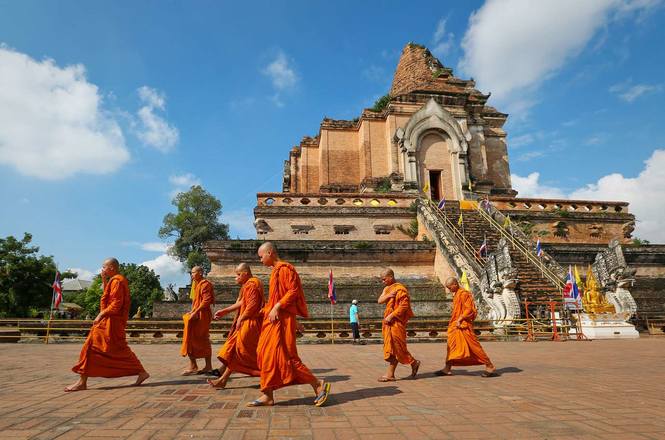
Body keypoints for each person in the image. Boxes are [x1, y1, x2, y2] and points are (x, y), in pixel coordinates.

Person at [249, 242, 331, 407]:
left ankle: (317, 384)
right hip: (275, 321)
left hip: (281, 322)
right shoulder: (275, 272)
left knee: (287, 357)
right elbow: (276, 299)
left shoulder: (285, 269)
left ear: (270, 252)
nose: (260, 260)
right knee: (264, 354)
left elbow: (292, 292)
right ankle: (267, 394)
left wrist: (278, 308)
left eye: (261, 256)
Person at [65, 258, 149, 391]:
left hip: (111, 321)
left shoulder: (117, 281)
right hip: (111, 321)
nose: (102, 270)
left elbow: (116, 303)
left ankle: (82, 382)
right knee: (116, 349)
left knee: (92, 347)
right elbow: (107, 295)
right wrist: (104, 280)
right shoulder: (113, 281)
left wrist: (101, 314)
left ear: (111, 267)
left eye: (104, 267)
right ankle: (141, 372)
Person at [207, 263, 265, 389]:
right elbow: (243, 302)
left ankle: (270, 375)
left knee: (241, 353)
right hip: (246, 322)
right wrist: (225, 311)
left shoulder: (252, 284)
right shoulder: (248, 285)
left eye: (238, 275)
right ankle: (223, 379)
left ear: (245, 273)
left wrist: (242, 317)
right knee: (235, 351)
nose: (236, 278)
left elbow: (252, 305)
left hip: (250, 324)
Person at [437, 277, 497, 377]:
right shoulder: (456, 294)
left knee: (474, 346)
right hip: (456, 325)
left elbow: (469, 309)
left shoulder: (464, 294)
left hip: (463, 325)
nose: (449, 290)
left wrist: (460, 318)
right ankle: (447, 368)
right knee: (451, 346)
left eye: (449, 287)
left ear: (455, 284)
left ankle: (489, 365)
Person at [377, 268, 420, 382]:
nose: (383, 282)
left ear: (391, 277)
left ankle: (410, 363)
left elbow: (404, 306)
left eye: (384, 279)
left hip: (396, 322)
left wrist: (392, 316)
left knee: (397, 347)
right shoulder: (387, 289)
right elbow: (380, 300)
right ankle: (409, 365)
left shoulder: (400, 289)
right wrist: (389, 295)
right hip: (388, 322)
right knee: (392, 347)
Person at [180, 266, 215, 375]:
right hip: (196, 314)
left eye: (193, 272)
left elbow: (206, 301)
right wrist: (192, 311)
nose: (191, 275)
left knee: (203, 339)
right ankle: (193, 365)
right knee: (189, 338)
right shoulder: (196, 284)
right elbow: (196, 302)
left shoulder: (205, 284)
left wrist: (195, 312)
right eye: (191, 273)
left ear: (200, 272)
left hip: (203, 316)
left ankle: (208, 366)